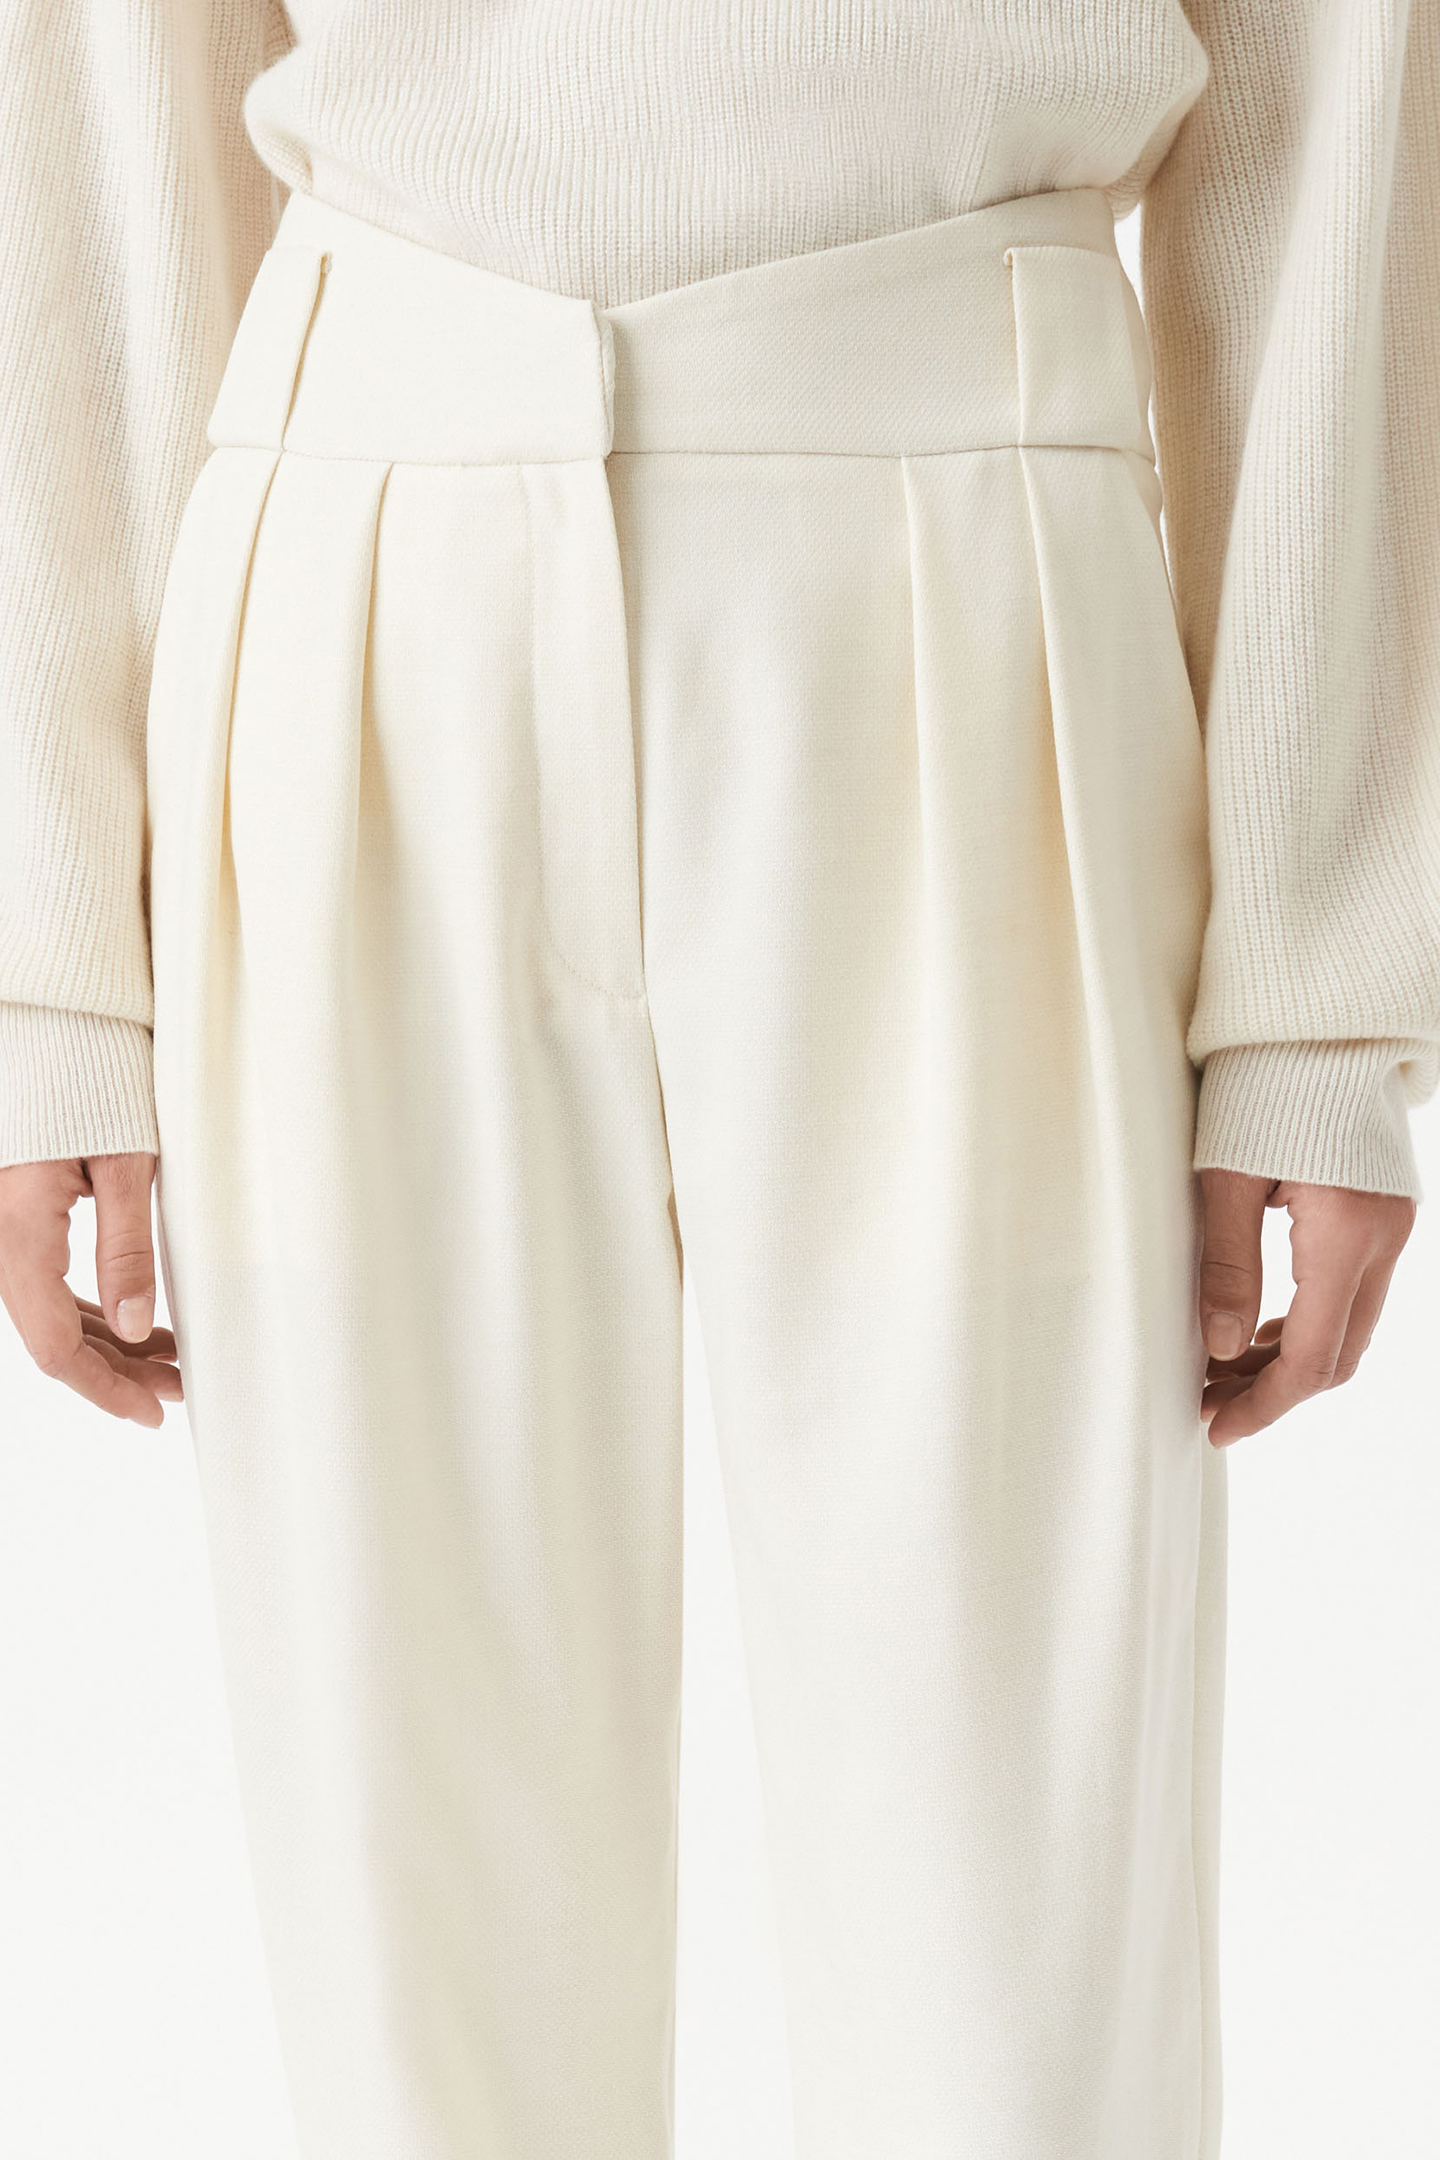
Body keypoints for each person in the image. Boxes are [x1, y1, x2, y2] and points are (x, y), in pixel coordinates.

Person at [0, 5, 1434, 2156]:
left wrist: (1311, 986)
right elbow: (102, 101)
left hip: (978, 548)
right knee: (415, 1956)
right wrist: (51, 953)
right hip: (361, 559)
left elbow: (1334, 124)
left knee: (1014, 1958)